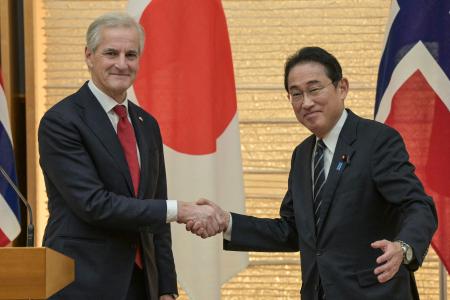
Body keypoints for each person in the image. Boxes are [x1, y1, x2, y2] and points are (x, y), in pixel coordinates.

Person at [191, 46, 438, 299]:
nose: (306, 102)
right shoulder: (302, 155)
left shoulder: (376, 140)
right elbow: (291, 231)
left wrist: (403, 247)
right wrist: (227, 221)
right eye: (295, 94)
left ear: (342, 87)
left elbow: (418, 205)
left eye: (314, 89)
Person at [38, 12, 226, 300]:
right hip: (82, 283)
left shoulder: (146, 124)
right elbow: (94, 204)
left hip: (142, 283)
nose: (122, 64)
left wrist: (165, 287)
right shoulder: (62, 121)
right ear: (89, 56)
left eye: (131, 54)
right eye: (111, 53)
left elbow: (155, 207)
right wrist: (182, 210)